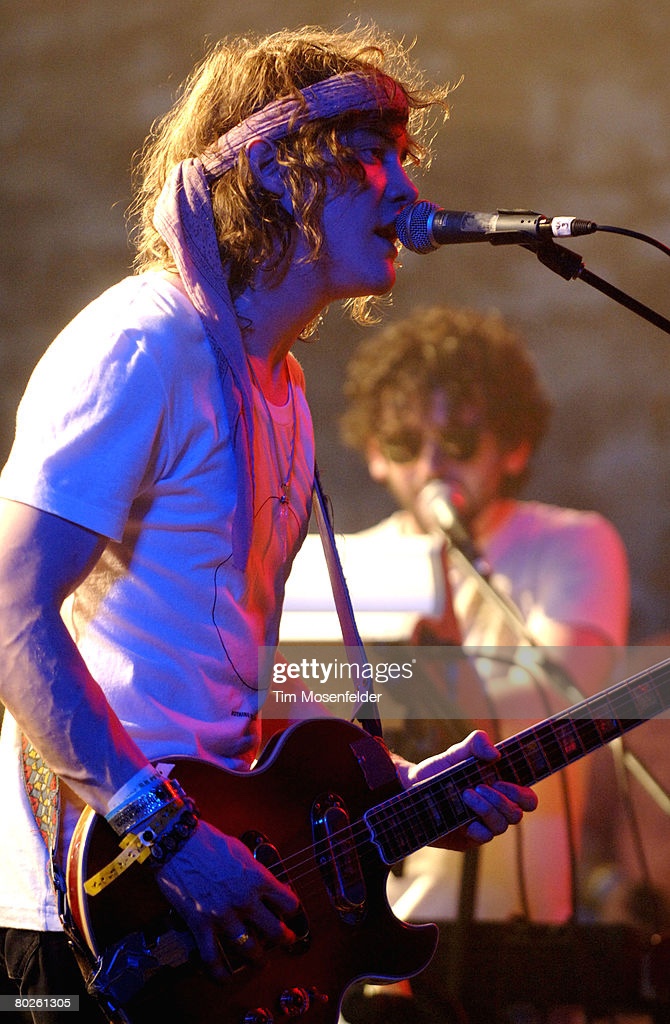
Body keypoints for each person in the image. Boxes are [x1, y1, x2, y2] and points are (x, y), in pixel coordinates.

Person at [0, 27, 538, 1024]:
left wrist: (401, 794)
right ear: (276, 172)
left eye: (401, 157)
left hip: (214, 901)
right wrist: (166, 835)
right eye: (367, 157)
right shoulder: (143, 341)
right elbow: (10, 610)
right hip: (101, 910)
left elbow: (212, 684)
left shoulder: (280, 392)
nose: (403, 189)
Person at [339, 305, 630, 1021]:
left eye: (459, 441)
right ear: (374, 452)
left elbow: (553, 700)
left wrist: (422, 675)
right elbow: (289, 702)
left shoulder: (573, 543)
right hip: (361, 943)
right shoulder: (340, 566)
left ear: (514, 446)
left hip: (517, 944)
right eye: (405, 442)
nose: (431, 465)